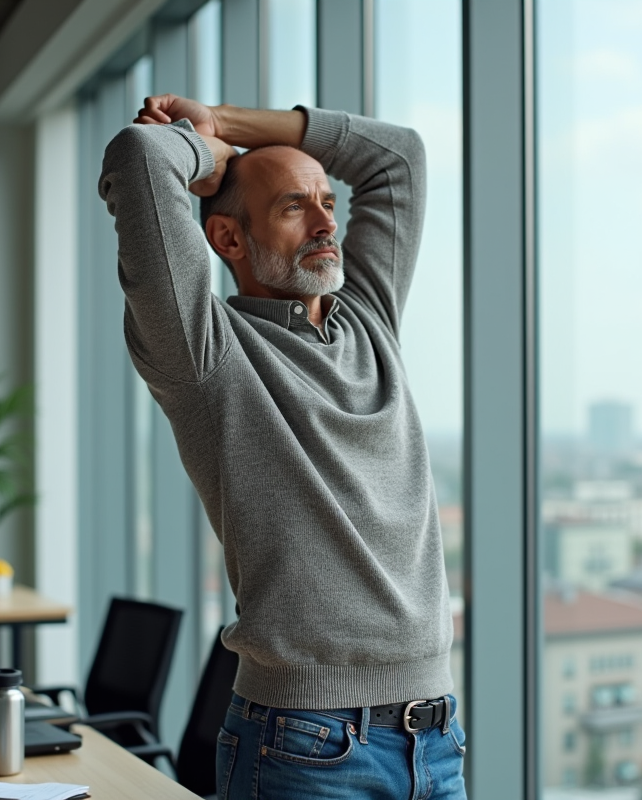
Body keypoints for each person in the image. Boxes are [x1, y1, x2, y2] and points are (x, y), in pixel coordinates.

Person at [99, 94, 466, 799]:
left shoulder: (370, 322)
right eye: (294, 207)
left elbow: (398, 157)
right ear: (229, 239)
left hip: (436, 740)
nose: (328, 222)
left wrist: (222, 119)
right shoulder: (206, 354)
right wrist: (214, 157)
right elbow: (142, 157)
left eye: (329, 200)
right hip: (304, 750)